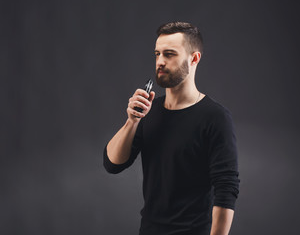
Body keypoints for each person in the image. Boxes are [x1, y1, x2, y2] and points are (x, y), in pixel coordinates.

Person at [103, 21, 240, 235]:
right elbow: (112, 164)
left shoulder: (216, 118)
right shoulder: (149, 111)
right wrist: (132, 120)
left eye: (169, 54)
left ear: (194, 59)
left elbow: (226, 190)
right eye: (157, 54)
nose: (160, 62)